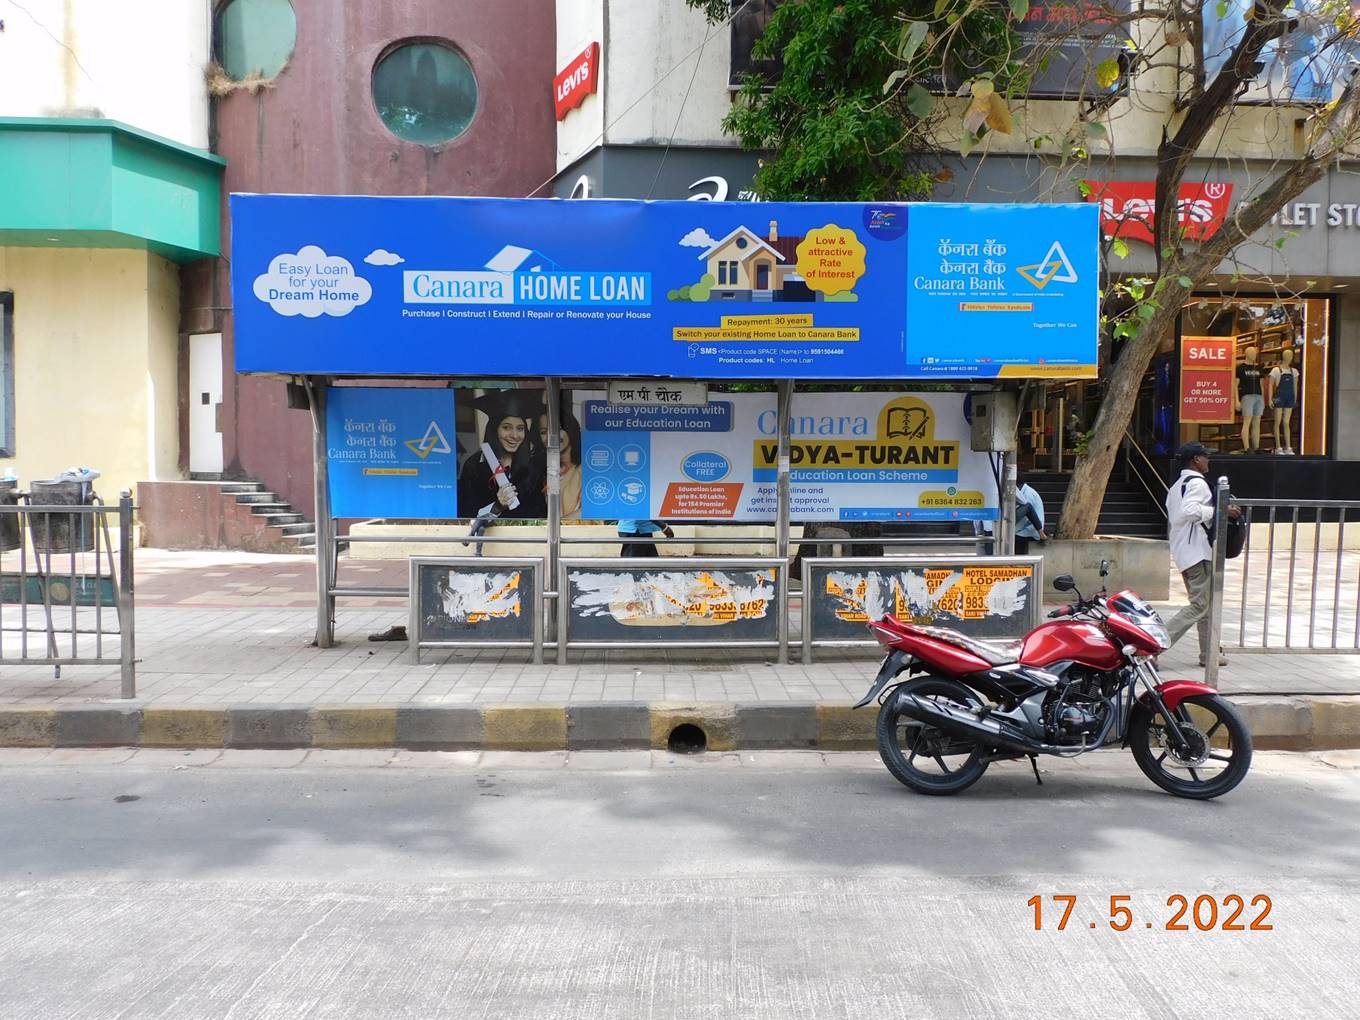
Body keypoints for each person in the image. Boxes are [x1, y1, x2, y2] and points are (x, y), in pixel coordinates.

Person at [1164, 441, 1241, 668]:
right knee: (1200, 605)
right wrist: (1221, 510)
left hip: (1185, 551)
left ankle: (1209, 655)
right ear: (1196, 459)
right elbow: (1189, 511)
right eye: (1206, 456)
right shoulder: (1197, 483)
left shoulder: (1178, 484)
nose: (1209, 460)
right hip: (1196, 551)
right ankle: (1152, 646)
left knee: (1204, 605)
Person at [457, 392, 547, 520]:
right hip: (488, 538)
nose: (515, 435)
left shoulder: (532, 466)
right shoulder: (475, 466)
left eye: (520, 428)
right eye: (506, 427)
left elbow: (540, 515)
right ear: (494, 430)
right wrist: (497, 507)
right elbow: (465, 516)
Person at [539, 408, 583, 518]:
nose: (552, 436)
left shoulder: (585, 470)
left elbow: (589, 510)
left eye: (558, 429)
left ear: (570, 430)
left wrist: (557, 526)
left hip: (582, 532)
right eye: (544, 432)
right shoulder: (544, 473)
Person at [1234, 345, 1267, 454]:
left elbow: (1261, 384)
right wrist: (1237, 401)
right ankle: (1247, 448)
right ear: (1247, 354)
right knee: (1247, 421)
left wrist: (1263, 398)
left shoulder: (1259, 368)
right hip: (1247, 396)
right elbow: (1235, 385)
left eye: (1255, 353)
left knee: (1257, 422)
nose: (1254, 355)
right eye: (1251, 353)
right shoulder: (1240, 368)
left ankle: (1256, 447)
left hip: (1258, 396)